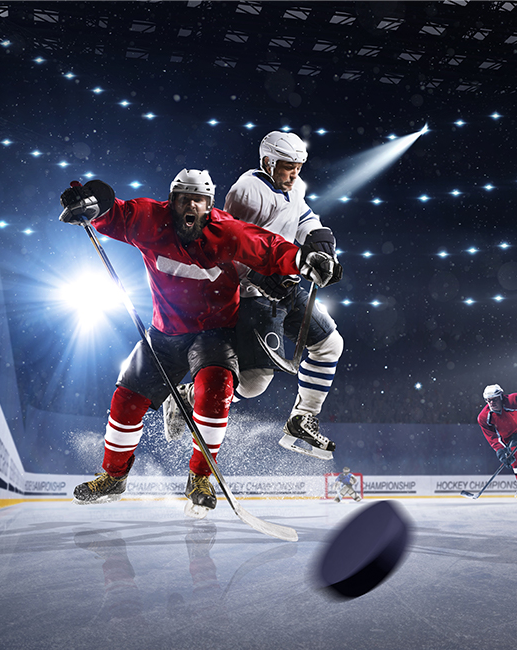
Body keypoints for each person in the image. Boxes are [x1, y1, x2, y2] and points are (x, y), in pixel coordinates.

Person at [58, 169, 340, 517]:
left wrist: (304, 259)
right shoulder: (150, 219)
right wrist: (90, 200)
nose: (191, 206)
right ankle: (113, 477)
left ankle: (199, 478)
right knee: (126, 399)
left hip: (213, 334)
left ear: (209, 205)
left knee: (215, 391)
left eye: (199, 200)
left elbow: (269, 248)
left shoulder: (226, 231)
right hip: (164, 333)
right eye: (183, 199)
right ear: (171, 201)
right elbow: (113, 212)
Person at [163, 131, 344, 461]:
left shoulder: (294, 187)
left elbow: (304, 218)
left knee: (331, 344)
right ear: (268, 161)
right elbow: (228, 241)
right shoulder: (249, 190)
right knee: (254, 383)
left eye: (298, 167)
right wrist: (258, 274)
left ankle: (302, 418)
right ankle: (188, 396)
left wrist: (323, 244)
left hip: (285, 289)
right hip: (252, 295)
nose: (294, 174)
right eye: (288, 166)